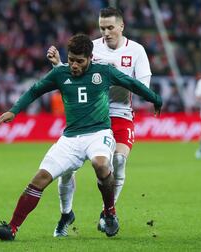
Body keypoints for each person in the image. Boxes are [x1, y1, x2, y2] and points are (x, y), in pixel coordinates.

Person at [0, 34, 162, 241]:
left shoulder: (103, 71)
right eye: (71, 60)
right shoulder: (60, 73)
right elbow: (35, 91)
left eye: (79, 61)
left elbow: (132, 84)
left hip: (99, 133)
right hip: (70, 139)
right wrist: (14, 111)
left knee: (101, 163)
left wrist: (155, 99)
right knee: (39, 179)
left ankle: (110, 212)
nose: (74, 65)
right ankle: (12, 228)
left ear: (90, 58)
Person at [46, 7, 152, 236]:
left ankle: (107, 213)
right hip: (88, 115)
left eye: (110, 27)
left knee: (119, 161)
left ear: (121, 26)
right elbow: (72, 76)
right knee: (66, 170)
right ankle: (66, 213)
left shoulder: (137, 51)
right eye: (102, 27)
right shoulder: (92, 48)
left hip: (121, 114)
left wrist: (114, 78)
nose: (106, 32)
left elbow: (144, 89)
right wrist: (58, 66)